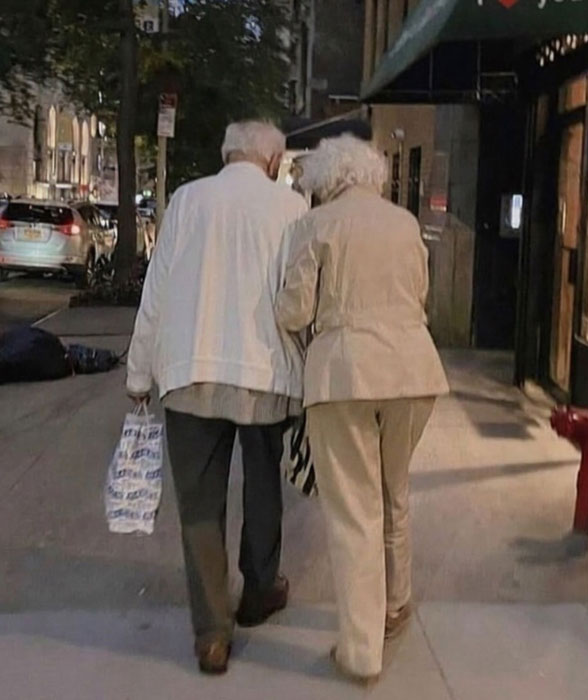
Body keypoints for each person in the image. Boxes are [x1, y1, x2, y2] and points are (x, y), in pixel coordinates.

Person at [126, 121, 307, 675]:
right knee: (262, 484)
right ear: (272, 160)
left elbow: (156, 289)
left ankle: (211, 633)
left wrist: (139, 374)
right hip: (264, 372)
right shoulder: (291, 208)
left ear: (226, 154)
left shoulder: (186, 200)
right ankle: (257, 592)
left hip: (189, 368)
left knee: (199, 505)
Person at [276, 135, 449, 684]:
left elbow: (294, 310)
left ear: (328, 178)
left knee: (354, 512)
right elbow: (421, 294)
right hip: (414, 371)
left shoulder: (316, 225)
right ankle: (397, 604)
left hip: (345, 372)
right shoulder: (405, 223)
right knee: (393, 489)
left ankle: (360, 652)